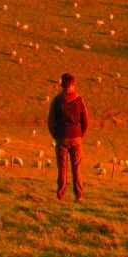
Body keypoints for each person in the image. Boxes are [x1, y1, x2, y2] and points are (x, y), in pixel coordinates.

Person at [47, 72, 89, 201]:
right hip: (76, 137)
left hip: (61, 137)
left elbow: (50, 121)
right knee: (76, 168)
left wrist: (56, 135)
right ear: (72, 84)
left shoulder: (57, 100)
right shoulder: (79, 99)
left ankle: (60, 195)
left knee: (62, 168)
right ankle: (79, 195)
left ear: (62, 85)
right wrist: (80, 135)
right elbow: (86, 121)